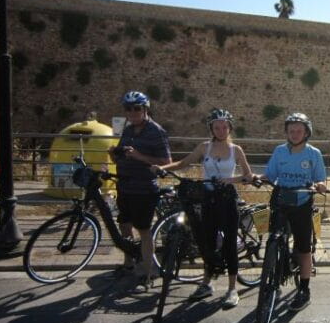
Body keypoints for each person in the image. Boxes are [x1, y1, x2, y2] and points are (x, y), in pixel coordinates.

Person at [153, 108, 256, 308]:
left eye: (224, 127)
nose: (221, 130)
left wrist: (230, 180)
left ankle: (232, 289)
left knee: (229, 245)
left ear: (230, 128)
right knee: (207, 243)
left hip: (227, 199)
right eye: (217, 127)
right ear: (211, 129)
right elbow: (183, 163)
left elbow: (248, 176)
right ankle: (206, 283)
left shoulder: (236, 150)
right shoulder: (204, 147)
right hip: (208, 199)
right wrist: (162, 169)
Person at [260, 113, 327, 311]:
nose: (295, 134)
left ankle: (304, 290)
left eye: (299, 131)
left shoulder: (314, 153)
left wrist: (320, 185)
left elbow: (320, 178)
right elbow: (270, 174)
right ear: (287, 133)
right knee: (273, 238)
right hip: (280, 199)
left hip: (302, 202)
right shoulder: (279, 151)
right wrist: (257, 178)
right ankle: (274, 268)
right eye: (291, 131)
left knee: (303, 249)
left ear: (306, 133)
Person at [108, 91, 171, 292]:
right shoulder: (127, 130)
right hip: (124, 185)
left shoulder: (156, 131)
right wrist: (114, 155)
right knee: (124, 226)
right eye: (128, 109)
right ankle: (128, 264)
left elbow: (166, 162)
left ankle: (148, 272)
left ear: (145, 109)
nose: (132, 112)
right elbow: (122, 157)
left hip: (144, 189)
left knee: (144, 231)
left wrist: (139, 156)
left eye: (137, 108)